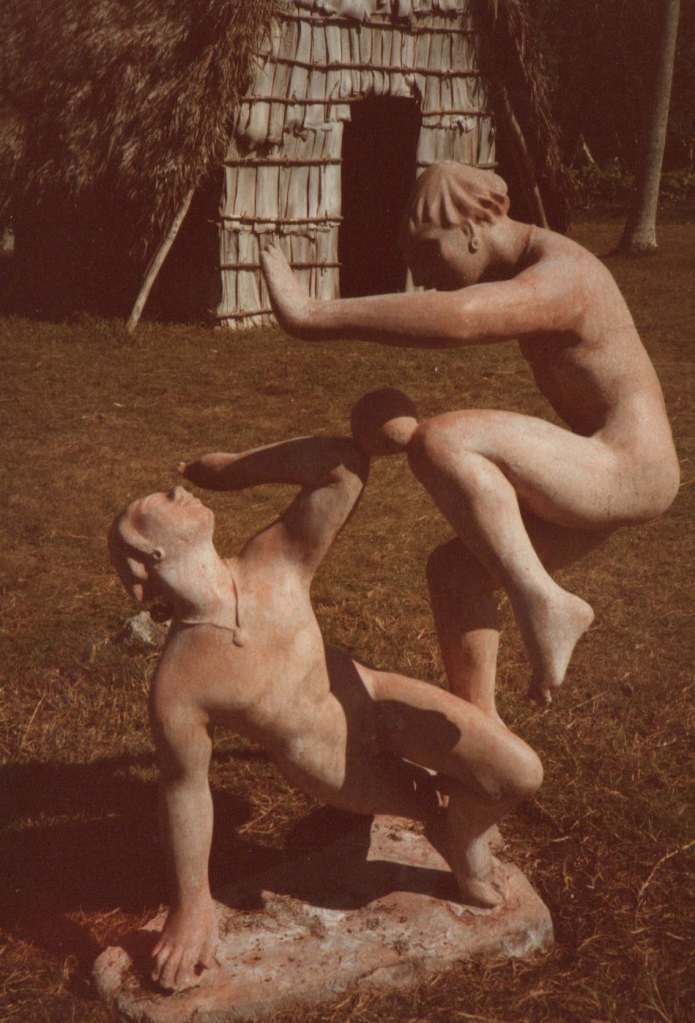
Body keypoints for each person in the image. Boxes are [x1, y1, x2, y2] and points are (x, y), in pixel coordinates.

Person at [109, 431, 543, 993]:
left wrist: (233, 469)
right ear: (152, 557)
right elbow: (184, 789)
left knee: (517, 773)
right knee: (432, 808)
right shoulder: (180, 684)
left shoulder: (274, 557)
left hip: (375, 697)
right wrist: (192, 905)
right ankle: (454, 837)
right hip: (331, 763)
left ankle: (461, 838)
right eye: (154, 505)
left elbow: (342, 466)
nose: (172, 490)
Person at [260, 160, 680, 716]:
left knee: (443, 440)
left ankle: (543, 602)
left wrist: (314, 314)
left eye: (429, 252)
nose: (421, 275)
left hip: (630, 464)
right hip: (599, 463)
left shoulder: (567, 274)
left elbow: (461, 317)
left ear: (472, 230)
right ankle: (482, 738)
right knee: (456, 573)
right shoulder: (536, 266)